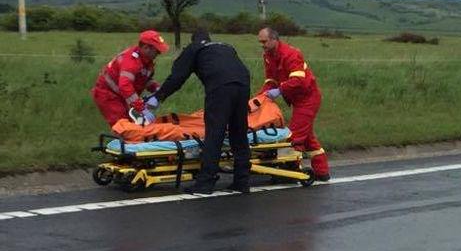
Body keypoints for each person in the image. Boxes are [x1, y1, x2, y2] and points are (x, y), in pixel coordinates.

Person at [147, 30, 252, 194]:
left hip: (220, 87)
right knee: (239, 133)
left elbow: (177, 77)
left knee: (214, 135)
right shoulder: (226, 46)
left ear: (193, 40)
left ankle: (205, 183)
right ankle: (242, 181)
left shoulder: (194, 48)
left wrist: (158, 97)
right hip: (243, 84)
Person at [258, 27, 330, 181]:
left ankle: (290, 171)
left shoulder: (291, 54)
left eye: (264, 41)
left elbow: (298, 81)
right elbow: (270, 79)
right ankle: (322, 171)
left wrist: (279, 90)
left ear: (274, 39)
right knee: (308, 139)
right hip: (297, 100)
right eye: (260, 42)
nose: (262, 45)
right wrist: (262, 96)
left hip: (307, 99)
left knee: (294, 137)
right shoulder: (268, 56)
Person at [91, 29, 169, 128]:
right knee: (123, 127)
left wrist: (157, 90)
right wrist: (142, 109)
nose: (159, 53)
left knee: (135, 125)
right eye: (157, 51)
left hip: (122, 96)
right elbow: (125, 85)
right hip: (108, 95)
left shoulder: (146, 60)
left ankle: (137, 141)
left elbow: (144, 80)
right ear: (146, 48)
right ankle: (127, 142)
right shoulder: (131, 62)